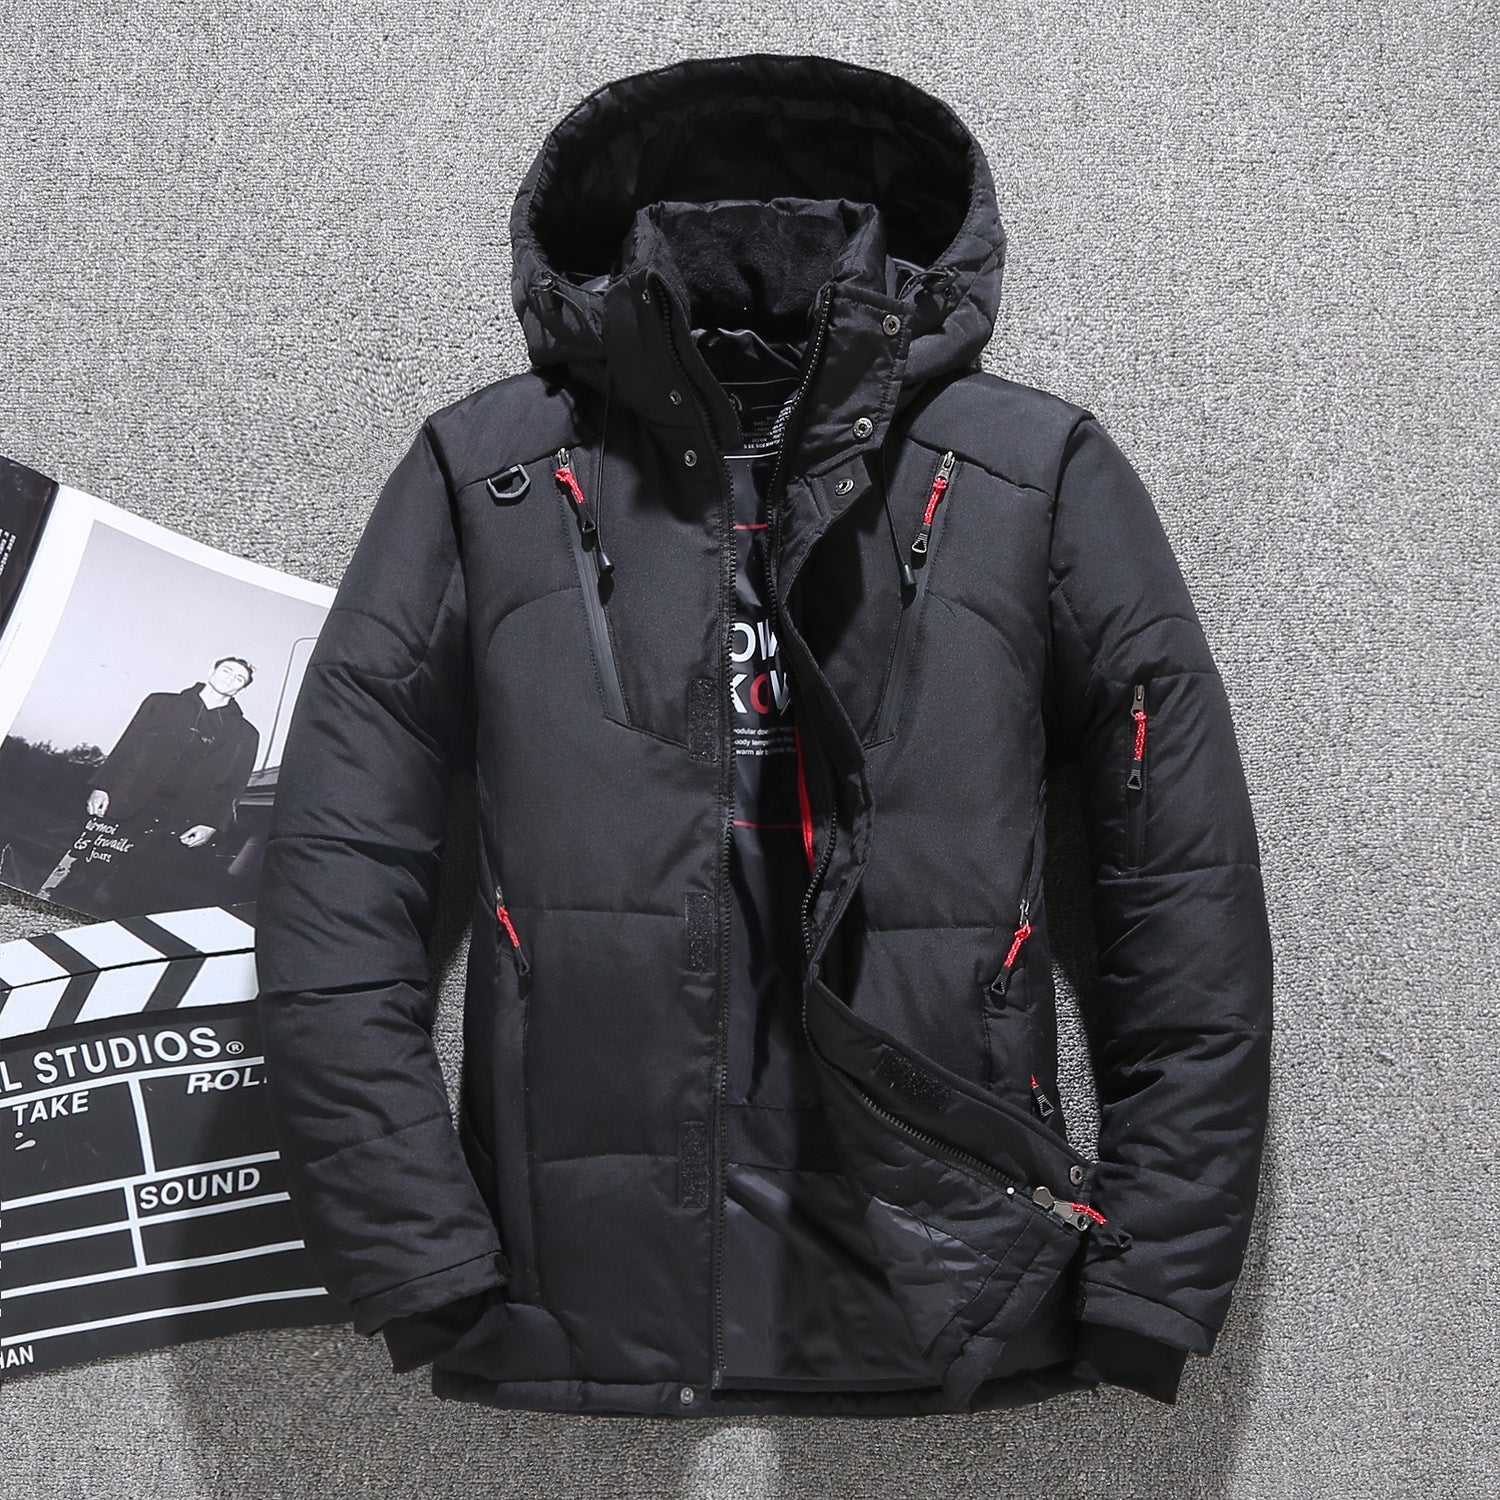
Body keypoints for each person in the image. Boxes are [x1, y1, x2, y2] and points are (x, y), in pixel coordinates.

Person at [39, 655, 261, 913]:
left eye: (239, 678)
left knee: (138, 889)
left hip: (180, 819)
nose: (230, 679)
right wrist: (103, 787)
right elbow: (127, 745)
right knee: (87, 869)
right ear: (211, 671)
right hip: (125, 802)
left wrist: (212, 824)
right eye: (226, 671)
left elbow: (235, 785)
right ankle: (52, 915)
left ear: (242, 689)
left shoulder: (246, 734)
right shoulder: (161, 703)